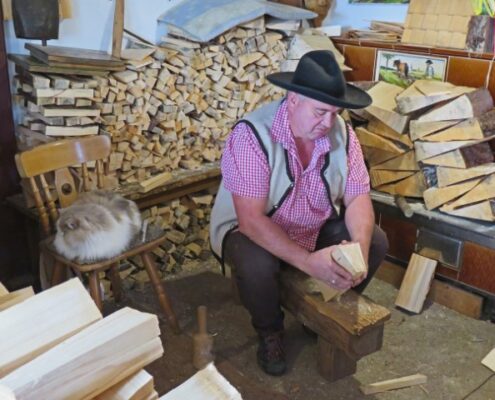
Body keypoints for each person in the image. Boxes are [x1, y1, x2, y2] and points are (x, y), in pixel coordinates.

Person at [210, 50, 389, 376]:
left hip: (313, 224)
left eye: (335, 113)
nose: (328, 123)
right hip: (256, 230)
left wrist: (359, 250)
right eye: (320, 112)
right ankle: (270, 331)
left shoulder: (343, 134)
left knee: (375, 241)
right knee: (254, 261)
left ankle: (324, 308)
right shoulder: (252, 135)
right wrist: (307, 262)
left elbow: (359, 196)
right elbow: (251, 221)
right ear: (293, 99)